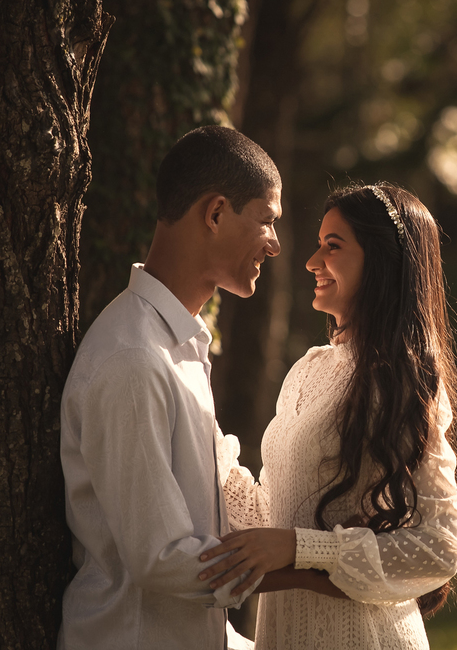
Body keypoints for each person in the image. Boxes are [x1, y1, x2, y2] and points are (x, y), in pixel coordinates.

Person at [200, 183, 457, 650]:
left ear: (382, 262)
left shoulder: (401, 380)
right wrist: (199, 429)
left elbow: (439, 547)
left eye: (333, 246)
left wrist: (300, 548)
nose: (312, 261)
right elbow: (281, 512)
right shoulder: (308, 369)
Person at [59, 126, 282, 650]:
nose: (273, 244)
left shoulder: (178, 345)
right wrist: (315, 573)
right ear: (216, 213)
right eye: (267, 220)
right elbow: (162, 557)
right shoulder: (134, 358)